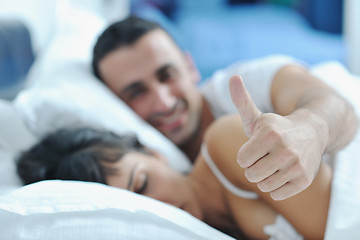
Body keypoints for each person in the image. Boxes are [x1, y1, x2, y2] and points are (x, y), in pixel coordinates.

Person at [91, 16, 358, 200]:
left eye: (167, 74)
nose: (164, 102)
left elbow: (335, 106)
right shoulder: (154, 169)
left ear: (191, 67)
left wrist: (311, 129)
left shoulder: (242, 85)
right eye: (137, 92)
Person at [16, 87, 332, 239]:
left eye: (142, 184)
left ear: (155, 154)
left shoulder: (229, 145)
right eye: (136, 205)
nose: (157, 206)